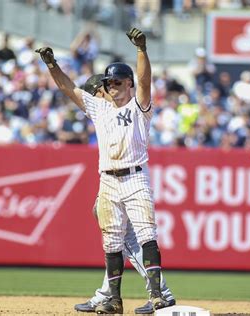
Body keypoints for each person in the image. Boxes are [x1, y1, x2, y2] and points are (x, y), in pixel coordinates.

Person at [36, 28, 171, 313]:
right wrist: (52, 65)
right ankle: (114, 300)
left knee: (147, 236)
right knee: (111, 243)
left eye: (117, 81)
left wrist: (141, 50)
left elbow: (145, 79)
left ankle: (158, 295)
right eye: (108, 82)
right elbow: (68, 88)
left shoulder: (139, 107)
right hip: (107, 180)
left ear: (128, 84)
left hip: (135, 176)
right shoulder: (100, 109)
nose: (111, 86)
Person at [73, 74, 176, 313]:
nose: (103, 94)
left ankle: (161, 294)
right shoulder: (105, 112)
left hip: (133, 178)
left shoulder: (127, 107)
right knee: (116, 243)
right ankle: (106, 293)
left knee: (127, 242)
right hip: (114, 181)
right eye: (100, 91)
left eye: (101, 90)